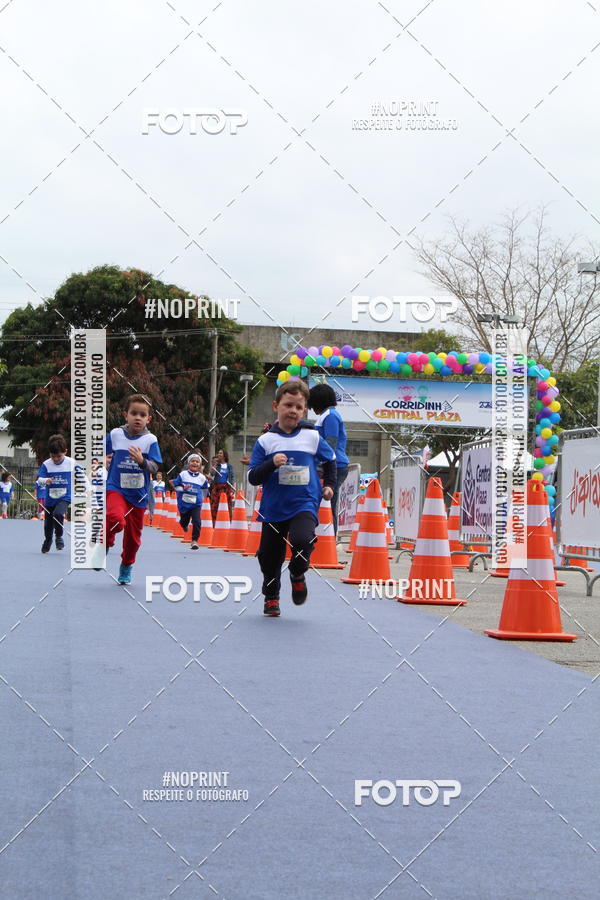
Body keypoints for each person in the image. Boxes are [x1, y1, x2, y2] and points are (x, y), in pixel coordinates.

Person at [248, 380, 336, 617]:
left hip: (304, 503)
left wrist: (329, 485)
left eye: (298, 407)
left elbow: (331, 460)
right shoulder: (266, 441)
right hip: (274, 507)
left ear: (305, 410)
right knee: (269, 557)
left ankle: (298, 573)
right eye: (288, 405)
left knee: (302, 539)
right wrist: (271, 463)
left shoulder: (312, 437)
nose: (293, 411)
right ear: (276, 406)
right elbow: (253, 477)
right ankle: (271, 596)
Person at [103, 394, 162, 584]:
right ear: (125, 415)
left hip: (138, 495)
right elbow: (98, 452)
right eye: (134, 413)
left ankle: (126, 565)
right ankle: (105, 542)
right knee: (114, 519)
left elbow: (155, 467)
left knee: (133, 539)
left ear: (148, 419)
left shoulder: (150, 440)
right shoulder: (115, 435)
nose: (138, 417)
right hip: (116, 488)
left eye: (142, 414)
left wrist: (142, 461)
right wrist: (103, 459)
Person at [308, 383, 350, 536]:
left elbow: (331, 443)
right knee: (324, 503)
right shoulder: (325, 416)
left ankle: (330, 538)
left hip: (335, 465)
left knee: (328, 503)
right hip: (328, 464)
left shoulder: (331, 416)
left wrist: (321, 467)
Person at [36, 434, 77, 552]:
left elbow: (81, 475)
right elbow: (39, 480)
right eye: (53, 456)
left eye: (59, 456)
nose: (56, 459)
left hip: (65, 496)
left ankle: (59, 536)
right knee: (48, 526)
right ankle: (48, 540)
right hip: (50, 499)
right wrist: (45, 480)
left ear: (65, 451)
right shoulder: (46, 464)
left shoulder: (71, 462)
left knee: (58, 514)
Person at [169, 454, 209, 549]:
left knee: (197, 521)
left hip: (196, 504)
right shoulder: (183, 474)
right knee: (184, 521)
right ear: (188, 463)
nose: (195, 463)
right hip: (184, 504)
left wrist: (206, 496)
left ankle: (194, 540)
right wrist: (183, 488)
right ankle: (183, 524)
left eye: (197, 461)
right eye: (192, 461)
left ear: (199, 465)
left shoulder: (202, 478)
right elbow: (175, 485)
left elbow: (205, 489)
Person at [209, 448, 234, 523]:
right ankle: (214, 521)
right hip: (216, 487)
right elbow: (212, 474)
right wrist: (215, 465)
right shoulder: (217, 465)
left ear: (224, 455)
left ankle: (227, 521)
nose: (218, 455)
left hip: (226, 487)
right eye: (218, 453)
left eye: (220, 453)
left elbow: (231, 477)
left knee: (227, 504)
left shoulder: (229, 466)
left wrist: (232, 487)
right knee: (214, 504)